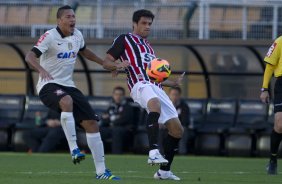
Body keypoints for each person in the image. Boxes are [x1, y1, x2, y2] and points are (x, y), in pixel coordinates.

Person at [25, 5, 126, 180]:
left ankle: (101, 172)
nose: (73, 20)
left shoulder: (77, 35)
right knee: (66, 101)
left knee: (92, 123)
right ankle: (74, 149)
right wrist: (40, 70)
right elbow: (29, 56)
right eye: (69, 17)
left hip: (68, 85)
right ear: (59, 20)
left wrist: (105, 63)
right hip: (48, 85)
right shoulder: (49, 36)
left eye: (74, 16)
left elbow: (85, 51)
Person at [103, 9, 184, 180]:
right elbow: (106, 61)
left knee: (177, 130)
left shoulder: (148, 46)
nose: (147, 27)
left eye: (149, 24)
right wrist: (117, 66)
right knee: (154, 105)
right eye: (144, 23)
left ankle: (164, 172)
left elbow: (154, 76)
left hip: (156, 87)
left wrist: (172, 83)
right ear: (135, 24)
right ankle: (153, 151)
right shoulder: (124, 39)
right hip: (138, 84)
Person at [260, 36, 282, 175]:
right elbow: (270, 66)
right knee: (280, 124)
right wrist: (264, 88)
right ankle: (273, 159)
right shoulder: (280, 41)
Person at [100, 86, 134, 154]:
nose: (118, 96)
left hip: (124, 129)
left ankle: (116, 154)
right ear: (113, 95)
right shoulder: (111, 106)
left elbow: (124, 120)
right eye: (116, 94)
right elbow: (104, 119)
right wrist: (114, 118)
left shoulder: (127, 107)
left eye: (120, 95)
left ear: (123, 96)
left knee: (116, 131)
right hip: (111, 128)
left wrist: (110, 118)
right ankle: (98, 153)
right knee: (99, 130)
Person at [167, 87, 190, 154]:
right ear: (169, 95)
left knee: (183, 130)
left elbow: (185, 121)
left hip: (178, 127)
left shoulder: (184, 106)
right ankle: (160, 153)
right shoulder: (165, 105)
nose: (174, 97)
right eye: (172, 94)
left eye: (176, 95)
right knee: (158, 128)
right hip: (166, 127)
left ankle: (182, 153)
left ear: (179, 95)